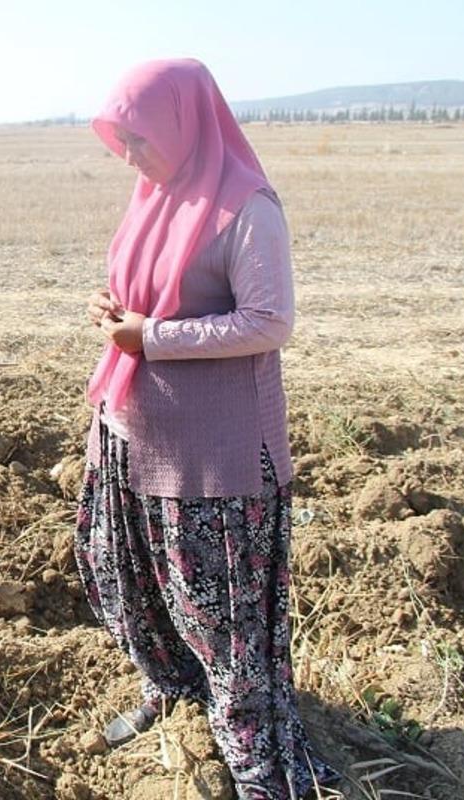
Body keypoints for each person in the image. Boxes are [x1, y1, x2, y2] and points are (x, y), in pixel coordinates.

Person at [73, 59, 338, 799]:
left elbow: (269, 320)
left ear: (186, 125)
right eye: (119, 139)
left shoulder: (247, 206)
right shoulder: (153, 195)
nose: (128, 154)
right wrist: (115, 309)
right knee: (123, 583)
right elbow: (145, 294)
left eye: (139, 138)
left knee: (220, 617)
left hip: (213, 458)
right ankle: (175, 693)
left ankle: (252, 750)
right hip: (131, 433)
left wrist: (151, 337)